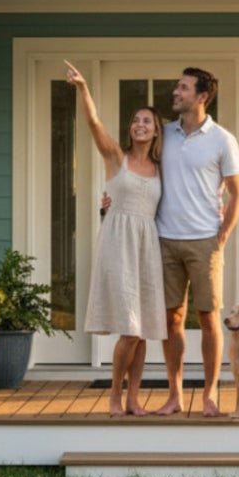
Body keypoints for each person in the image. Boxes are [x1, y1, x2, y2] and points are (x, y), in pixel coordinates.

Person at [64, 60, 166, 417]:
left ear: (156, 131)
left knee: (141, 332)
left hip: (147, 246)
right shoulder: (115, 157)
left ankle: (134, 398)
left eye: (147, 122)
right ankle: (114, 396)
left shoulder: (161, 168)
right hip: (118, 242)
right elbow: (93, 124)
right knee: (129, 328)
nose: (140, 125)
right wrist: (83, 88)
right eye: (136, 120)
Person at [154, 67, 239, 418]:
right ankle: (174, 396)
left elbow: (238, 194)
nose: (176, 92)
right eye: (177, 86)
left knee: (209, 318)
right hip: (165, 239)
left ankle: (209, 396)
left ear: (202, 96)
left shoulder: (222, 140)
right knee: (171, 321)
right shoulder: (164, 134)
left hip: (205, 241)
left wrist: (222, 235)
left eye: (183, 88)